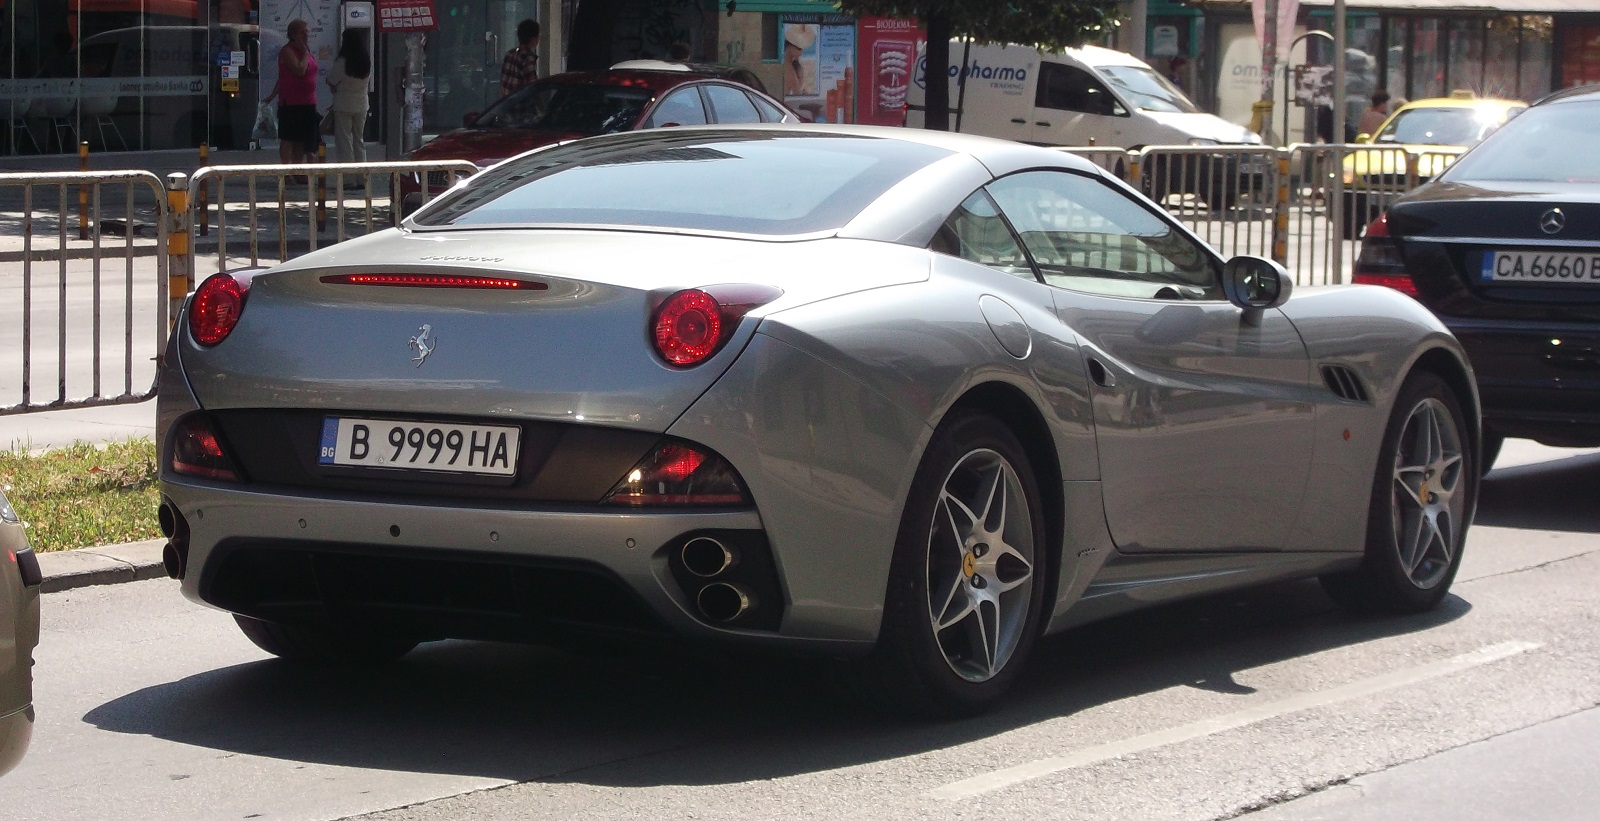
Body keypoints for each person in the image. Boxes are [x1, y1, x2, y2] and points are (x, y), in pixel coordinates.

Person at [263, 18, 318, 166]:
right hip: (291, 102)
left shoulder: (306, 50)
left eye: (307, 32)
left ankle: (297, 168)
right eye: (302, 33)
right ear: (293, 35)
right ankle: (286, 170)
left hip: (308, 101)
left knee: (301, 138)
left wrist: (306, 52)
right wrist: (305, 53)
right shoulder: (288, 51)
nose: (306, 36)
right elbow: (299, 71)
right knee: (288, 137)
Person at [326, 30, 371, 167]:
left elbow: (331, 80)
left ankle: (348, 178)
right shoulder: (365, 60)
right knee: (359, 139)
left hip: (343, 104)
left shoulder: (342, 61)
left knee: (344, 140)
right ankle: (361, 176)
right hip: (361, 104)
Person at [500, 19, 540, 98]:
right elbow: (533, 87)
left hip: (506, 104)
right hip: (521, 107)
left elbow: (502, 84)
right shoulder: (528, 58)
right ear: (533, 39)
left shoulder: (509, 54)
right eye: (538, 36)